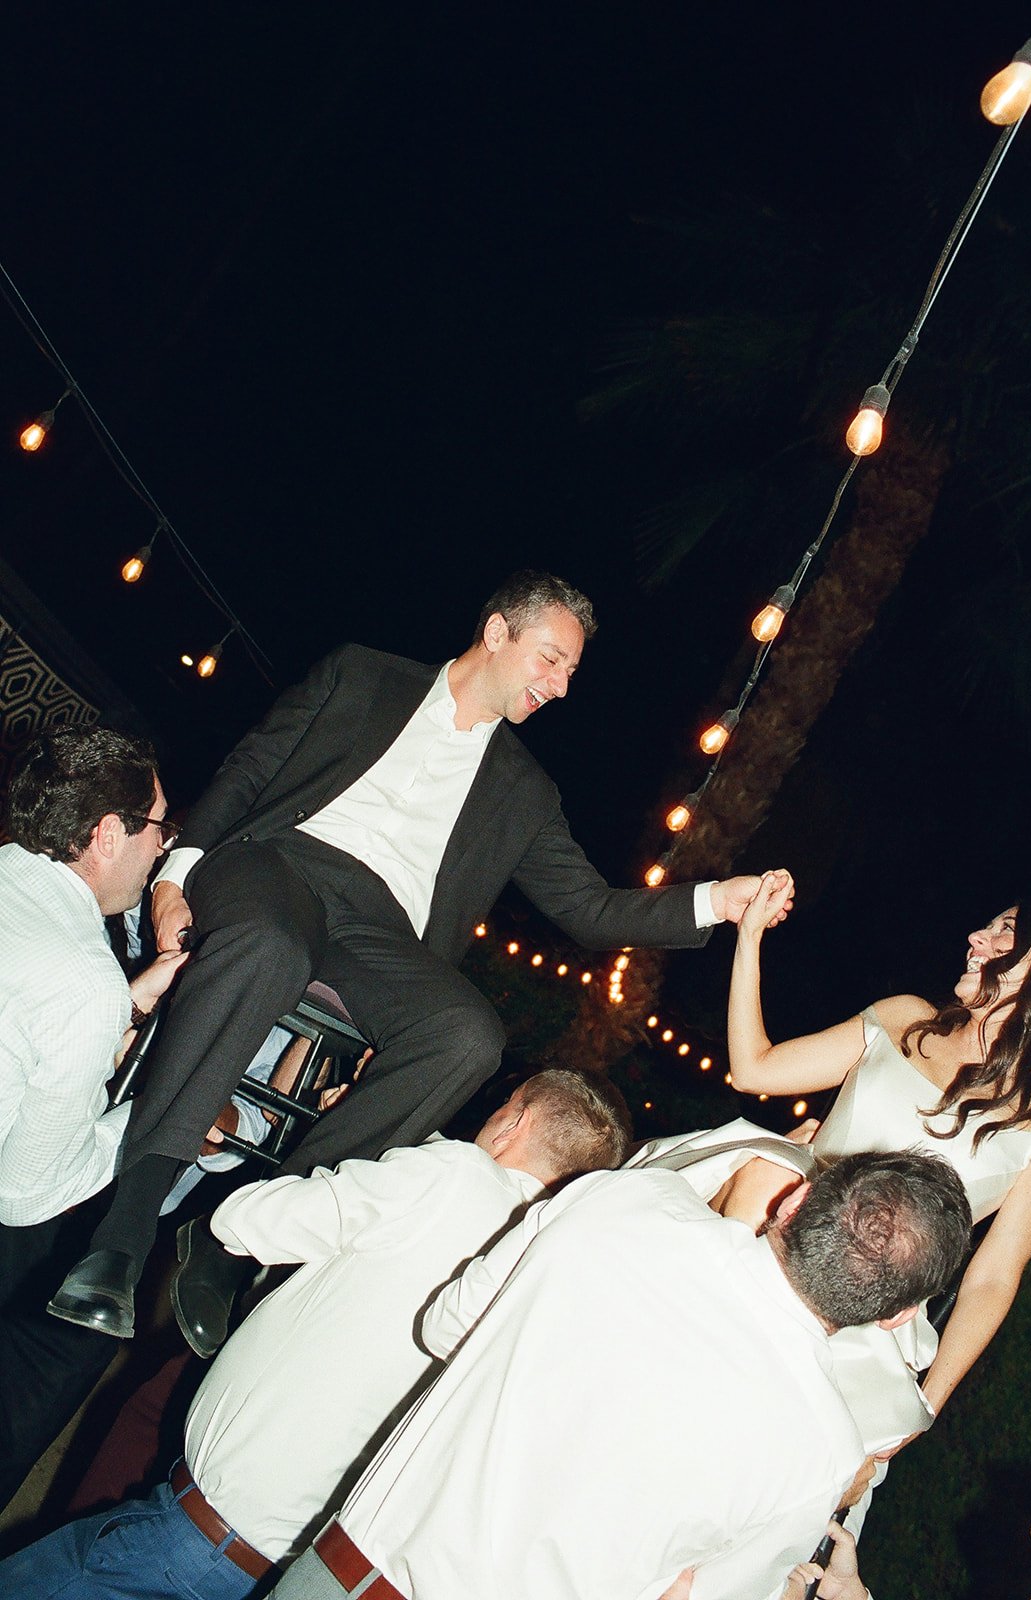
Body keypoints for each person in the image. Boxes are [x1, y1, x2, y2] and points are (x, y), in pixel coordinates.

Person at [49, 570, 791, 1341]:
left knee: (466, 1036)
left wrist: (718, 901)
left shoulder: (524, 792)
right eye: (550, 659)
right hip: (278, 864)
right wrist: (176, 876)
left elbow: (589, 909)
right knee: (270, 947)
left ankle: (245, 1236)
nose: (560, 686)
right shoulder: (360, 674)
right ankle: (122, 1234)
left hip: (382, 932)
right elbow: (249, 771)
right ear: (497, 632)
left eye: (570, 671)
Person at [0, 1069, 629, 1598]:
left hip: (198, 1537)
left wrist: (351, 1151)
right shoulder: (539, 1274)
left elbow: (247, 1221)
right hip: (283, 1561)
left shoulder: (455, 1173)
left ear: (515, 1121)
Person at [262, 1148, 971, 1600]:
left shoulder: (624, 1200)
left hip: (347, 1575)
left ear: (791, 1200)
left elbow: (446, 1324)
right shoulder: (821, 1453)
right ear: (897, 1317)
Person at [728, 877, 1031, 1468]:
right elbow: (756, 1069)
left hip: (873, 1318)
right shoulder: (906, 1019)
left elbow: (994, 1274)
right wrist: (749, 936)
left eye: (1005, 932)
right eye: (988, 925)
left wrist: (928, 1402)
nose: (976, 937)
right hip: (771, 1232)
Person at [0, 726, 187, 1508]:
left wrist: (129, 1002)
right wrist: (162, 1111)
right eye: (160, 830)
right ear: (108, 834)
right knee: (70, 1341)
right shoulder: (82, 979)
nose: (162, 850)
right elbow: (26, 1193)